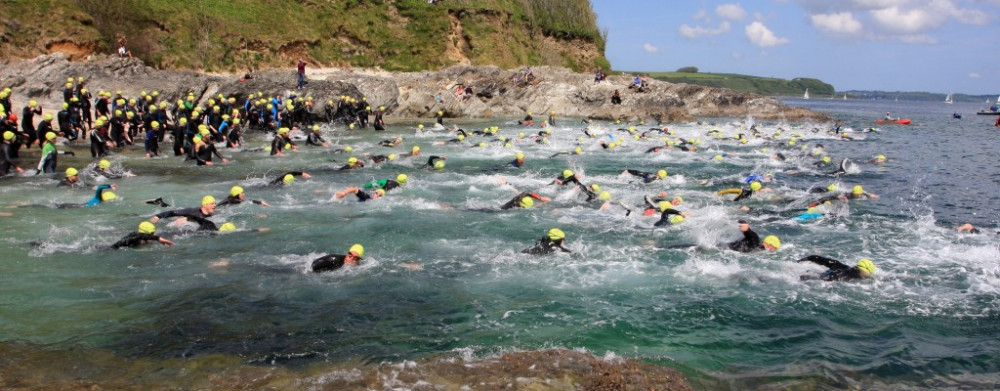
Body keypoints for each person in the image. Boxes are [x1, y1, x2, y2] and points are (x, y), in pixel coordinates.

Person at [796, 255, 875, 281]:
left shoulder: (839, 265)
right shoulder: (858, 276)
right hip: (824, 281)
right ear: (867, 271)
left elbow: (815, 257)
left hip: (819, 277)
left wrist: (799, 261)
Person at [149, 195, 217, 223]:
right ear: (205, 205)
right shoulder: (192, 211)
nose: (215, 205)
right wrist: (158, 217)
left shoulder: (210, 214)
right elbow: (173, 212)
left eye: (215, 203)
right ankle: (159, 203)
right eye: (212, 204)